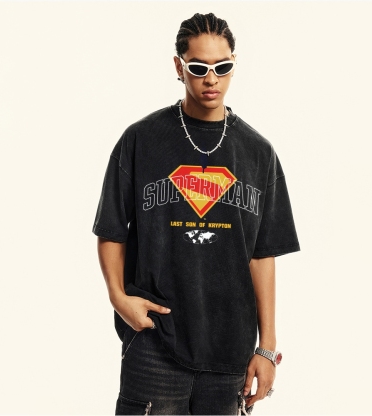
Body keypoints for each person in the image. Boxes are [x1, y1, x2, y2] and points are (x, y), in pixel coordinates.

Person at [92, 12, 300, 415]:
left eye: (222, 67)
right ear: (179, 66)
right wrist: (118, 297)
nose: (211, 79)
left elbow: (262, 254)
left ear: (234, 65)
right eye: (199, 68)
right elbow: (111, 230)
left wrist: (267, 347)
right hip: (155, 343)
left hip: (231, 350)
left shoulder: (258, 152)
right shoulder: (141, 140)